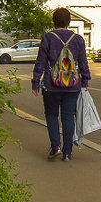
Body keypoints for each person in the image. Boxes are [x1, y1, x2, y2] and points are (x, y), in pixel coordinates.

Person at [31, 8, 91, 162]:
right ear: (69, 21)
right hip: (73, 85)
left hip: (51, 85)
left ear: (54, 21)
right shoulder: (78, 39)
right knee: (68, 117)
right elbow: (83, 62)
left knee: (51, 115)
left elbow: (40, 62)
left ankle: (56, 147)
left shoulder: (48, 38)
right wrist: (85, 81)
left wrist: (35, 82)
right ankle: (67, 153)